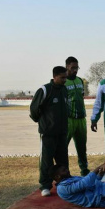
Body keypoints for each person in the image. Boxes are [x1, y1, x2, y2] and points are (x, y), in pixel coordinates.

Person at [30, 66, 69, 197]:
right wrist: (42, 122)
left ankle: (63, 184)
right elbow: (34, 109)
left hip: (62, 132)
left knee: (62, 160)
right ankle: (45, 186)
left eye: (66, 77)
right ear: (55, 77)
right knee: (46, 160)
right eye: (62, 78)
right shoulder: (45, 89)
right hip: (48, 133)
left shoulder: (64, 90)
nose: (65, 80)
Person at [65, 56, 90, 176]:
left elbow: (82, 96)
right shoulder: (64, 81)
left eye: (77, 67)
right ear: (67, 67)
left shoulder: (80, 81)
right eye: (73, 67)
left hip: (81, 119)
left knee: (82, 147)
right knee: (63, 147)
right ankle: (64, 172)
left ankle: (84, 170)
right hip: (68, 119)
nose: (75, 70)